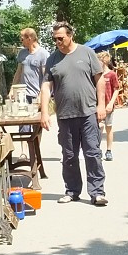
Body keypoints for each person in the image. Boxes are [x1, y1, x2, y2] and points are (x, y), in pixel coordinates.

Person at [39, 22, 108, 206]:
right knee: (69, 156)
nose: (57, 42)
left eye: (60, 38)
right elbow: (46, 87)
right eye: (55, 39)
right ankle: (72, 191)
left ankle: (97, 192)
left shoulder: (87, 53)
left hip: (88, 113)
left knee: (92, 153)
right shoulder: (52, 59)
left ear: (70, 35)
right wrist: (44, 113)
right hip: (65, 115)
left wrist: (101, 106)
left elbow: (100, 81)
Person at [12, 27, 49, 104]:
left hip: (37, 96)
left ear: (29, 38)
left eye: (22, 39)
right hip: (23, 95)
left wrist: (41, 95)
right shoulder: (22, 53)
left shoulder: (43, 54)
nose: (21, 42)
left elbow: (46, 78)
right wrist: (12, 90)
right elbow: (18, 73)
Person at [98, 52, 119, 161]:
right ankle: (97, 149)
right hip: (98, 106)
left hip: (108, 106)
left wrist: (111, 103)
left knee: (109, 127)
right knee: (98, 128)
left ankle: (109, 150)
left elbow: (116, 89)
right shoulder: (97, 75)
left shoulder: (111, 74)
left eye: (99, 61)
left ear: (104, 61)